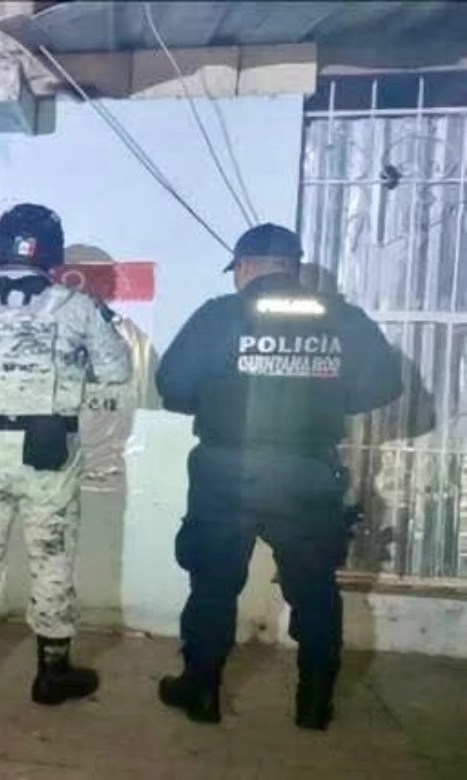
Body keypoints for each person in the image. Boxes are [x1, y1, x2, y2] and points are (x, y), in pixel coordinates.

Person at [155, 223, 403, 730]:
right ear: (293, 267)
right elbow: (384, 384)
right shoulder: (341, 317)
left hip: (227, 470)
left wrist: (219, 400)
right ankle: (314, 704)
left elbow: (173, 386)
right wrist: (328, 399)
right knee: (314, 590)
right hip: (307, 470)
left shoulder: (219, 315)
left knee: (213, 584)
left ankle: (201, 692)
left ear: (246, 267)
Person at [0, 204, 132, 705]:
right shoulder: (78, 307)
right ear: (52, 254)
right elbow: (117, 371)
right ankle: (52, 673)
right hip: (48, 456)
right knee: (52, 558)